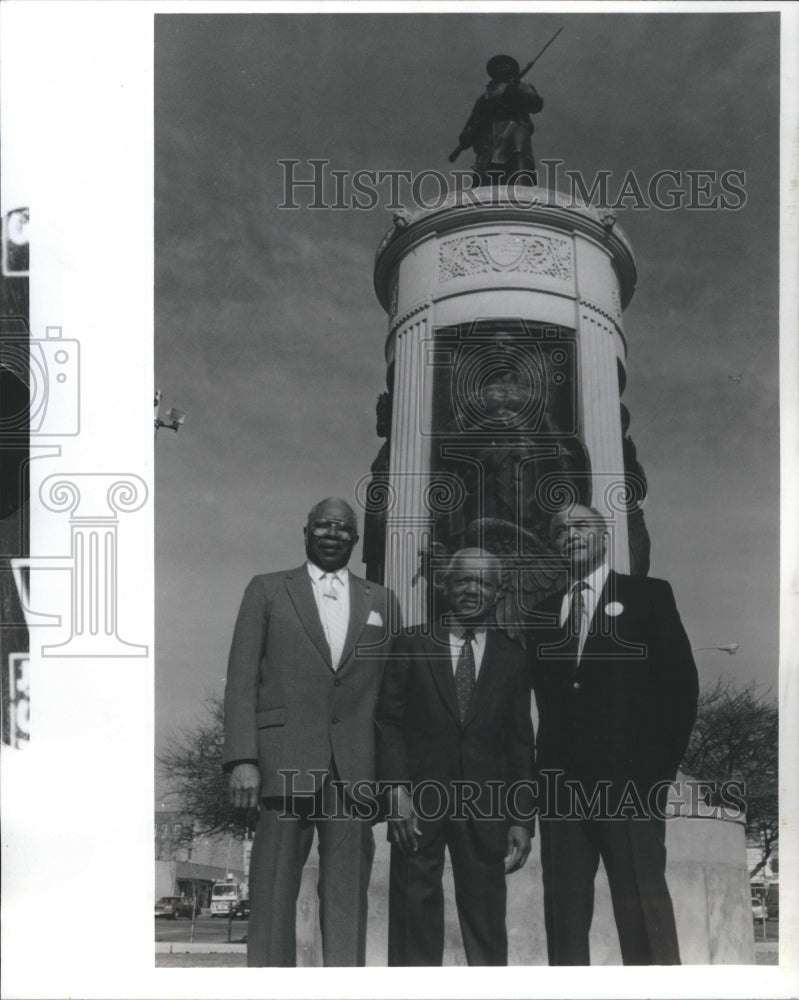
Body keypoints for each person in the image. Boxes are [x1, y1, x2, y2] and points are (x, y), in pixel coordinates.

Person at [223, 497, 400, 966]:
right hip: (284, 764)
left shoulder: (382, 601)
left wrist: (392, 778)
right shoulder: (266, 590)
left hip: (354, 771)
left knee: (347, 901)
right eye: (323, 525)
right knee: (273, 893)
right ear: (306, 532)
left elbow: (390, 699)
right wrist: (243, 758)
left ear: (355, 539)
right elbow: (241, 680)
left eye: (343, 528)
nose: (333, 534)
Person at [529, 505, 699, 965]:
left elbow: (680, 691)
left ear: (604, 537)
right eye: (560, 530)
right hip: (561, 793)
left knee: (643, 910)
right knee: (564, 919)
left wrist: (653, 779)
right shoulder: (542, 614)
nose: (570, 535)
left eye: (581, 526)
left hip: (631, 788)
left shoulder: (648, 596)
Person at [376, 548, 535, 965]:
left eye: (483, 583)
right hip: (417, 805)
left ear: (498, 593)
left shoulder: (513, 656)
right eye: (463, 580)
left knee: (486, 925)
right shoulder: (411, 642)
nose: (472, 589)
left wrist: (521, 818)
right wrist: (395, 790)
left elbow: (520, 742)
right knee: (413, 922)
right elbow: (388, 722)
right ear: (445, 585)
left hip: (486, 809)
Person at [457, 54, 543, 186]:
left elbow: (536, 104)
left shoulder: (522, 86)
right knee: (485, 175)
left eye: (506, 64)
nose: (503, 67)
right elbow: (474, 119)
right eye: (499, 65)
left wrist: (515, 91)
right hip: (489, 138)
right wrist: (467, 133)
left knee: (518, 163)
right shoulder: (485, 97)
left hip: (515, 130)